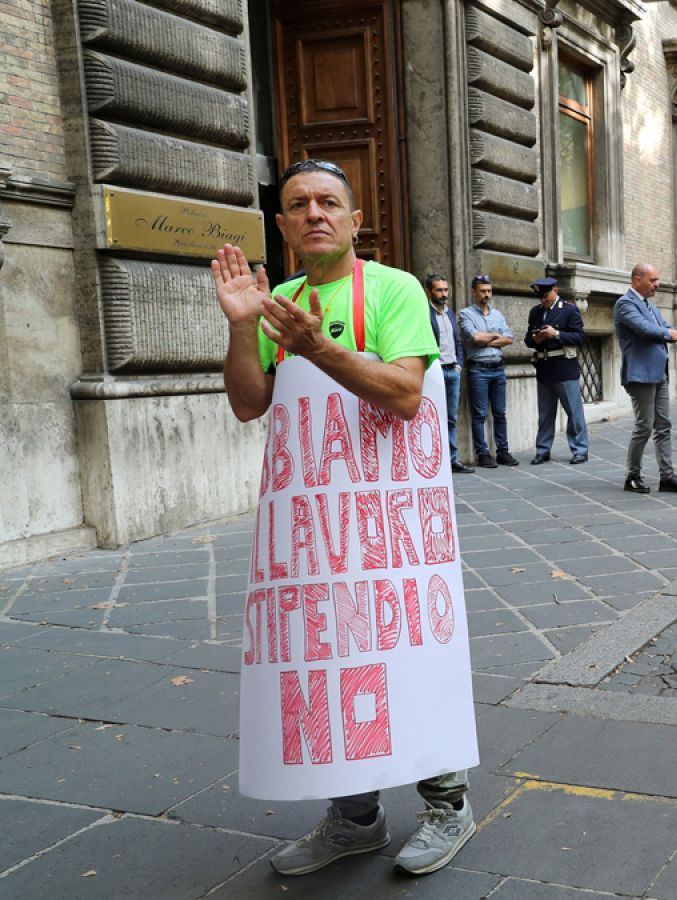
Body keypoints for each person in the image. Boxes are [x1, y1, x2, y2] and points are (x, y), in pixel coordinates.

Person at [211, 158, 475, 877]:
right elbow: (247, 403)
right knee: (331, 664)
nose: (314, 213)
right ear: (282, 224)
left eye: (329, 201)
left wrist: (315, 344)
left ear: (356, 219)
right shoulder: (278, 301)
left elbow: (404, 395)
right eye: (298, 204)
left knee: (410, 654)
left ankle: (448, 803)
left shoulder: (394, 289)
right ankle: (354, 818)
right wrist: (243, 327)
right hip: (315, 532)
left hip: (392, 527)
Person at [614, 263, 677, 495]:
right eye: (653, 280)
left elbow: (665, 329)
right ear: (637, 279)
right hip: (640, 375)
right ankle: (633, 476)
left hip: (659, 373)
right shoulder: (625, 304)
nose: (657, 284)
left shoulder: (648, 305)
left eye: (658, 280)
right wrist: (669, 332)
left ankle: (667, 476)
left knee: (663, 426)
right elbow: (644, 329)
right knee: (644, 427)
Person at [524, 277, 589, 464]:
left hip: (564, 367)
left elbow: (580, 337)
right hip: (544, 368)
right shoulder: (535, 312)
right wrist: (535, 340)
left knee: (573, 412)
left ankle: (580, 449)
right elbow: (528, 339)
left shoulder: (569, 310)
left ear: (555, 290)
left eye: (545, 295)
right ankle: (543, 450)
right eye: (540, 297)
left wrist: (557, 334)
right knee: (545, 413)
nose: (543, 300)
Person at [458, 274, 518, 469]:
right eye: (483, 291)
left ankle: (502, 452)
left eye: (489, 291)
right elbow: (475, 338)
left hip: (498, 369)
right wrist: (495, 336)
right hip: (478, 371)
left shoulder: (497, 315)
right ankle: (482, 453)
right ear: (473, 292)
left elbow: (509, 339)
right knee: (480, 414)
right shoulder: (466, 314)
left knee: (500, 413)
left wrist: (488, 338)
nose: (487, 295)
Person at [425, 273, 472, 473]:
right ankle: (434, 459)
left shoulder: (451, 314)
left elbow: (458, 341)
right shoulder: (424, 313)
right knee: (431, 417)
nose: (444, 294)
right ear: (429, 291)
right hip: (434, 372)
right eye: (439, 290)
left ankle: (452, 459)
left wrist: (459, 364)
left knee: (451, 417)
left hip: (453, 371)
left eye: (446, 290)